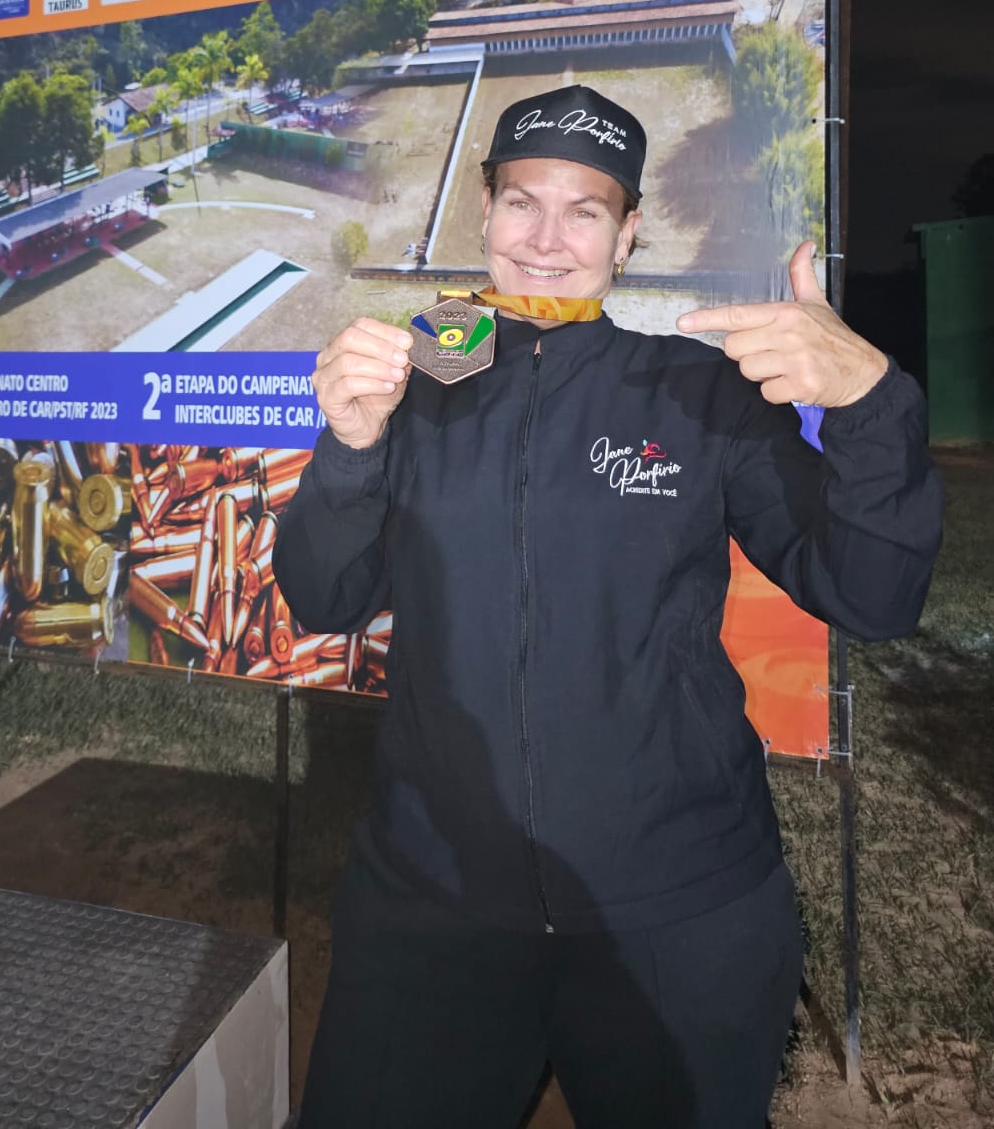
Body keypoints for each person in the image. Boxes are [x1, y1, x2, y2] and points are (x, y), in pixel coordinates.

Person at [273, 84, 942, 1128]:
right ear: (483, 214)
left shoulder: (694, 391)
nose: (547, 237)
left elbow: (873, 590)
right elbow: (322, 594)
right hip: (434, 905)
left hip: (679, 914)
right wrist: (352, 446)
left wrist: (869, 406)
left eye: (585, 209)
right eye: (521, 202)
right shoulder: (421, 376)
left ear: (628, 232)